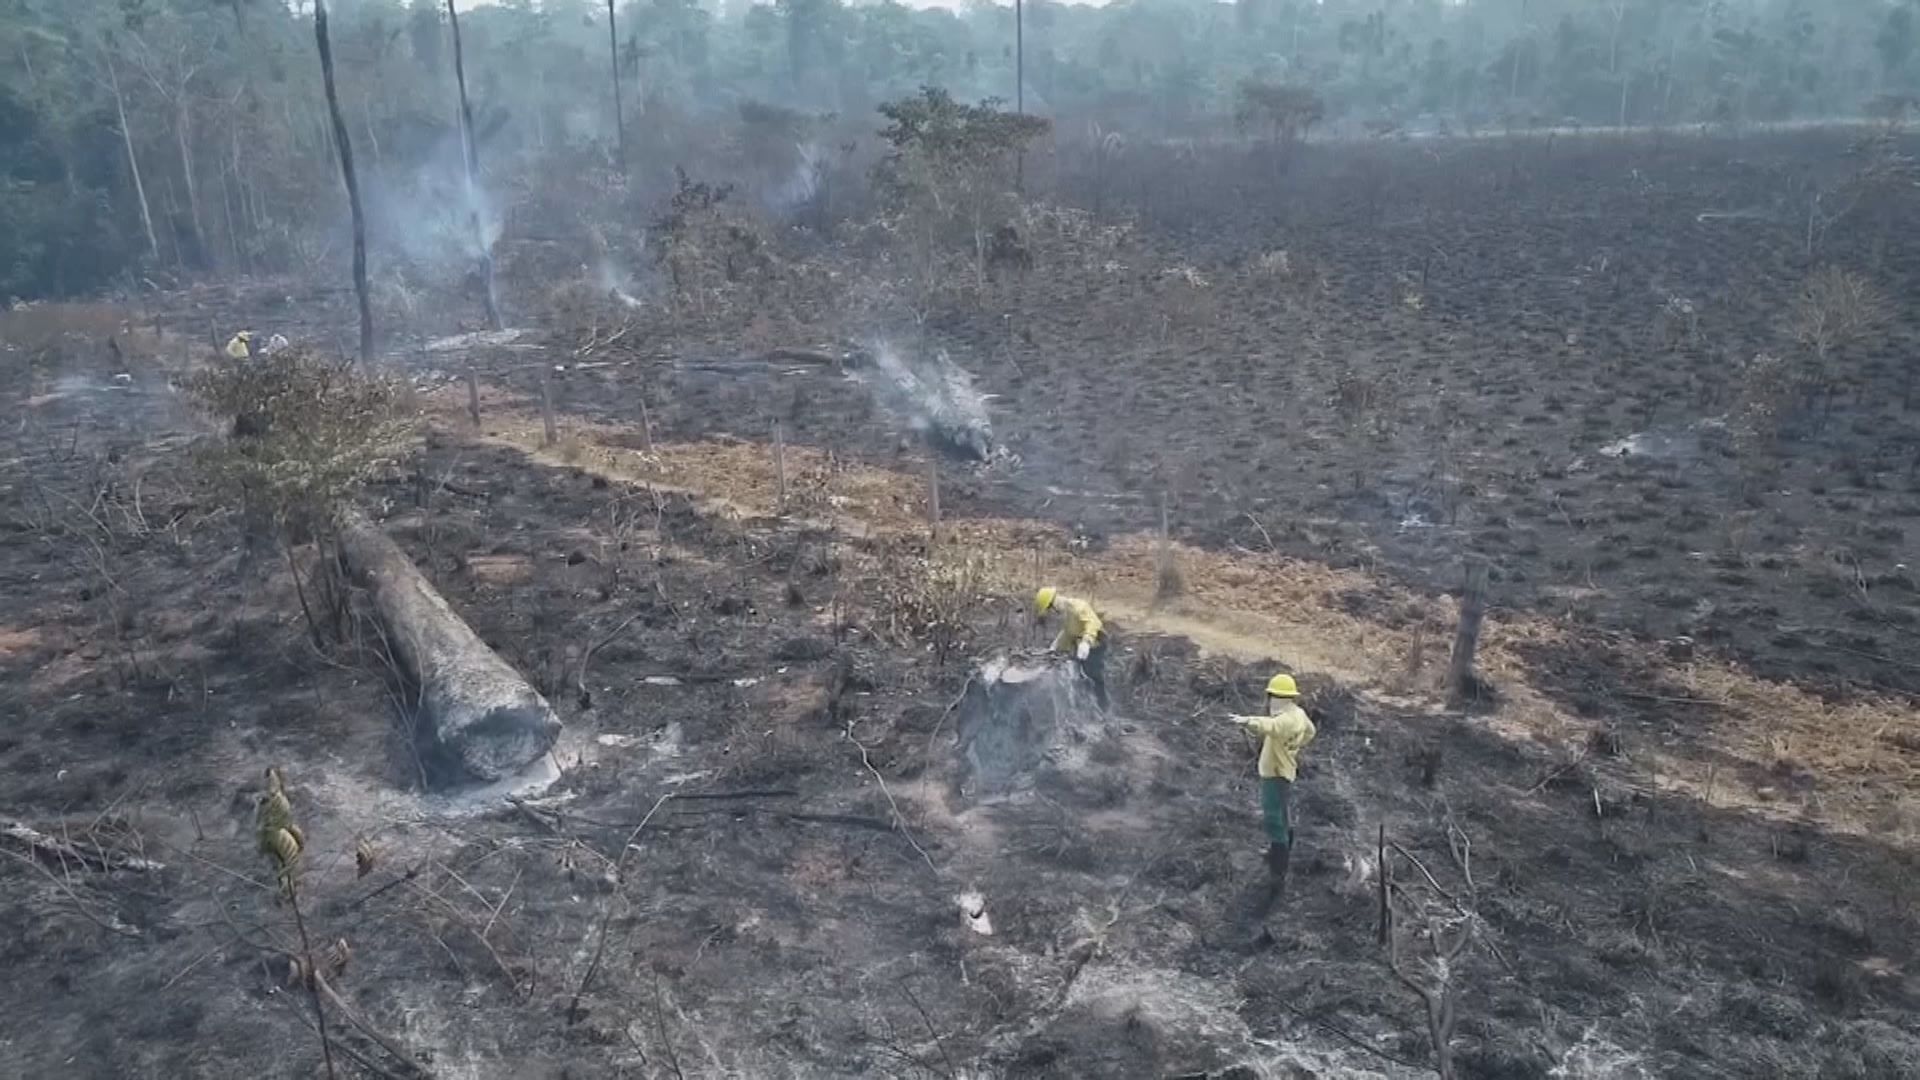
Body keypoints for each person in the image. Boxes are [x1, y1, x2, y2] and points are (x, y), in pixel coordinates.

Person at [1230, 673, 1316, 915]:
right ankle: (1278, 854)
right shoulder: (1298, 714)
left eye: (1270, 697)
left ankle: (1278, 873)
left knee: (1274, 818)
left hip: (1275, 775)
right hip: (1284, 773)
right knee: (1283, 814)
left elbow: (1270, 726)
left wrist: (1246, 721)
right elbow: (1310, 732)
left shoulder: (1285, 720)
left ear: (1276, 697)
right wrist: (1294, 747)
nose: (1268, 702)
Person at [1034, 586, 1108, 708]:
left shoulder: (1078, 607)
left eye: (1049, 609)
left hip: (1095, 645)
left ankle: (1103, 707)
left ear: (1054, 604)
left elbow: (1093, 623)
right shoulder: (1067, 615)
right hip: (1080, 647)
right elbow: (1068, 633)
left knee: (1093, 675)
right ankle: (1084, 704)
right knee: (1077, 673)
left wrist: (1087, 641)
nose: (1051, 613)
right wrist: (1055, 649)